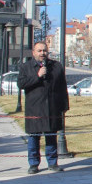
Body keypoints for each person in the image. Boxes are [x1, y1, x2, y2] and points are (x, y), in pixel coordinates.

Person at [17, 41, 69, 174]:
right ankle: (34, 164)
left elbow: (62, 87)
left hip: (52, 108)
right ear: (33, 52)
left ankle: (52, 163)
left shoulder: (56, 66)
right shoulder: (25, 67)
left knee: (51, 137)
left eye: (44, 51)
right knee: (34, 138)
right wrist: (37, 76)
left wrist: (64, 106)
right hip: (35, 109)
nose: (42, 53)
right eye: (39, 51)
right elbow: (21, 84)